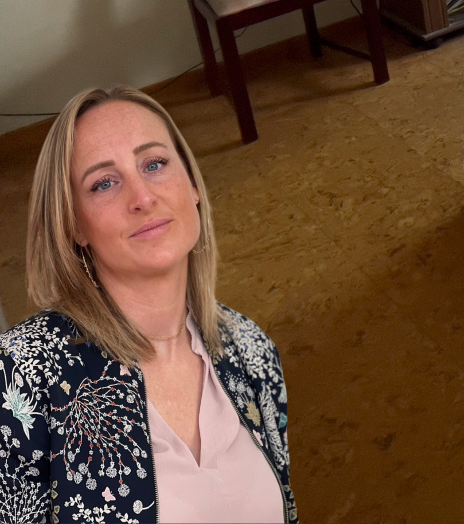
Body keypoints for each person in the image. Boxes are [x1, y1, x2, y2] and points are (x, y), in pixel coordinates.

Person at [0, 85, 294, 523]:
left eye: (154, 164)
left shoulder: (252, 350)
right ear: (74, 225)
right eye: (104, 183)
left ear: (192, 185)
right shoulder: (18, 375)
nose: (142, 197)